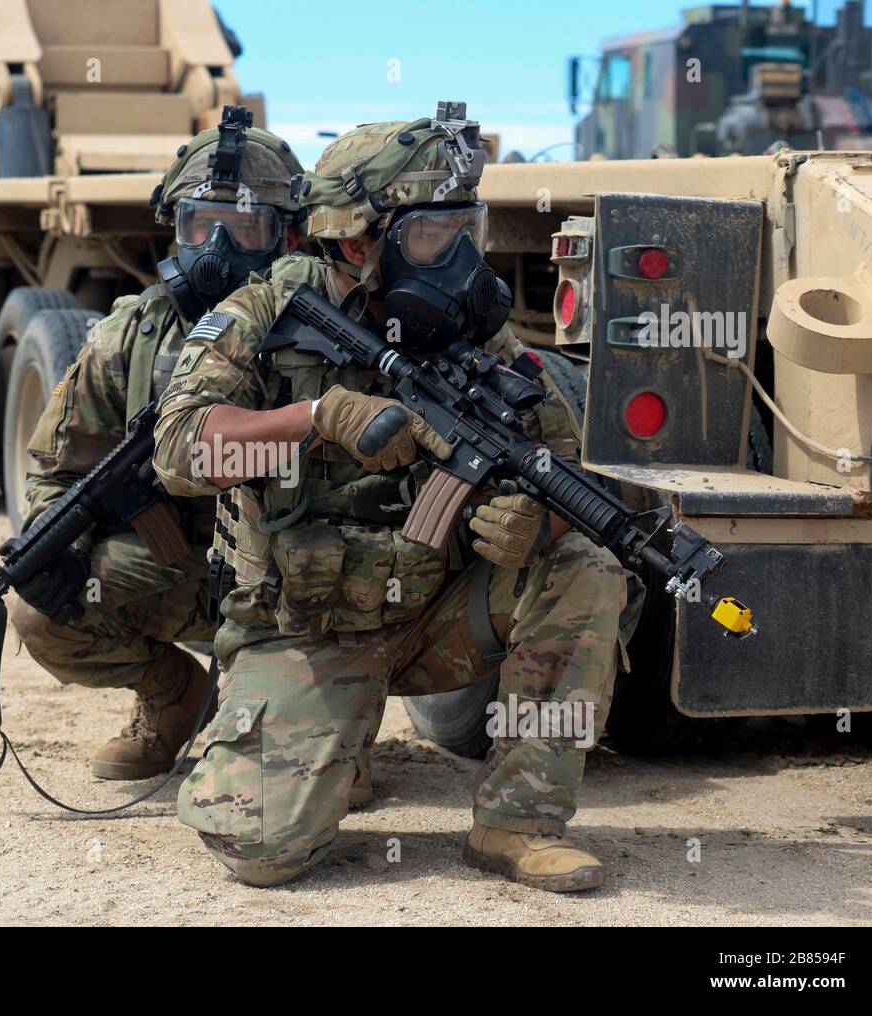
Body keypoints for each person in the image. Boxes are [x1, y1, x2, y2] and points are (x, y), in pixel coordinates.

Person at [153, 103, 643, 891]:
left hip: (434, 615)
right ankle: (331, 743)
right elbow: (180, 449)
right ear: (355, 239)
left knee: (585, 566)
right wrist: (313, 419)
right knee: (263, 853)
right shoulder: (263, 312)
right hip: (306, 625)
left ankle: (517, 822)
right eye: (429, 236)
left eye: (464, 230)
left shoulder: (474, 333)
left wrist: (534, 518)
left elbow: (559, 459)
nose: (456, 258)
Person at [8, 108, 308, 783]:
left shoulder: (324, 339)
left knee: (291, 781)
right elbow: (60, 468)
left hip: (302, 577)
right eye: (202, 226)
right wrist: (58, 541)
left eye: (246, 228)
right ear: (176, 229)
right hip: (185, 570)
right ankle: (174, 700)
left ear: (285, 237)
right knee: (38, 606)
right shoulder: (130, 337)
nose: (220, 250)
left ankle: (331, 729)